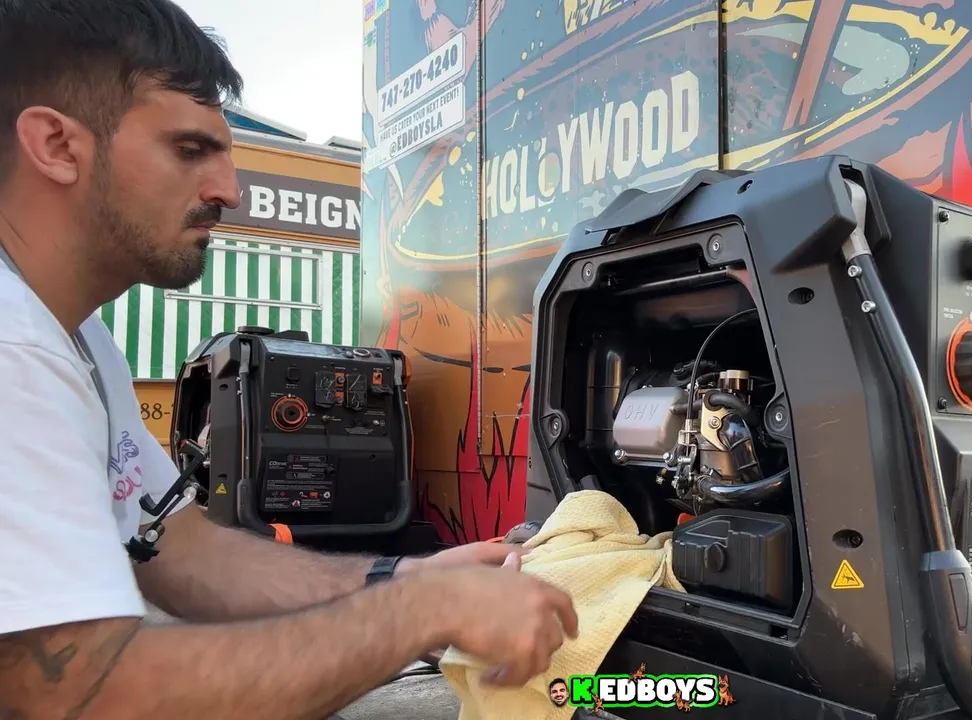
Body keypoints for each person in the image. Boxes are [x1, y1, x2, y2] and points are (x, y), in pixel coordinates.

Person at [0, 1, 577, 718]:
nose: (229, 190)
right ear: (56, 145)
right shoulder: (14, 345)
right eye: (190, 150)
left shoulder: (79, 339)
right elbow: (77, 696)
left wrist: (406, 579)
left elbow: (181, 549)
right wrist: (421, 612)